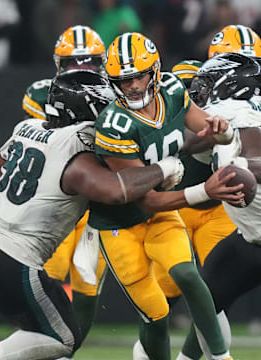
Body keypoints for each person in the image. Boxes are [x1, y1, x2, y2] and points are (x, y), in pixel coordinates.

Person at [0, 70, 198, 360]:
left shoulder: (26, 127)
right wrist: (164, 167)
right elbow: (114, 191)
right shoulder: (80, 145)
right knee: (64, 336)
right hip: (11, 256)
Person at [88, 32, 239, 360]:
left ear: (154, 70)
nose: (133, 86)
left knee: (187, 273)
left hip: (161, 212)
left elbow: (204, 125)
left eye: (140, 75)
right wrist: (204, 191)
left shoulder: (172, 90)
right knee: (156, 316)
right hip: (121, 224)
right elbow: (145, 199)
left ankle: (221, 357)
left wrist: (223, 131)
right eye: (124, 80)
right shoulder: (113, 123)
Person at [21, 25, 108, 351]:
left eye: (89, 63)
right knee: (46, 280)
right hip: (55, 199)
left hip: (96, 202)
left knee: (87, 287)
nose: (82, 71)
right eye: (74, 64)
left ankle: (64, 352)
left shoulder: (116, 97)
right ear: (59, 64)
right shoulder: (41, 94)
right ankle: (36, 349)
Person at [175, 53, 261, 360]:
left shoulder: (236, 109)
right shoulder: (235, 112)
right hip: (250, 238)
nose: (203, 90)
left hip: (253, 235)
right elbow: (191, 141)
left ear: (230, 84)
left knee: (204, 303)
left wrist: (237, 165)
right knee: (204, 304)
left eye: (209, 82)